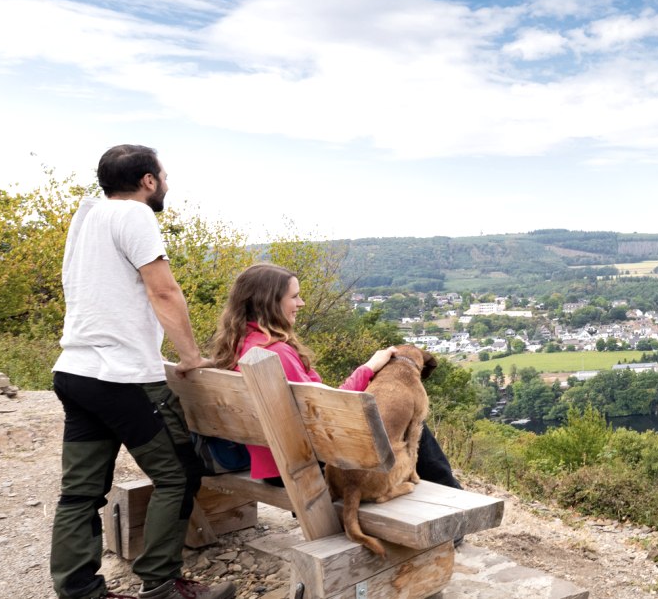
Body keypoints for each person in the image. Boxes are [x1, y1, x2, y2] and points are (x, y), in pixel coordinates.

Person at [50, 145, 234, 599]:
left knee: (81, 492)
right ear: (148, 181)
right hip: (122, 375)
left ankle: (79, 591)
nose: (167, 183)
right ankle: (161, 585)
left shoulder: (86, 218)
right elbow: (163, 291)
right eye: (164, 176)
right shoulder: (134, 215)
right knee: (179, 474)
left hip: (74, 371)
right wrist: (190, 356)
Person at [206, 263, 463, 491]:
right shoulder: (274, 353)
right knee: (410, 419)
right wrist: (369, 368)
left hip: (271, 460)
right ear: (269, 302)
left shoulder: (238, 344)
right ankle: (455, 498)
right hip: (298, 465)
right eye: (294, 297)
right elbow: (326, 411)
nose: (301, 303)